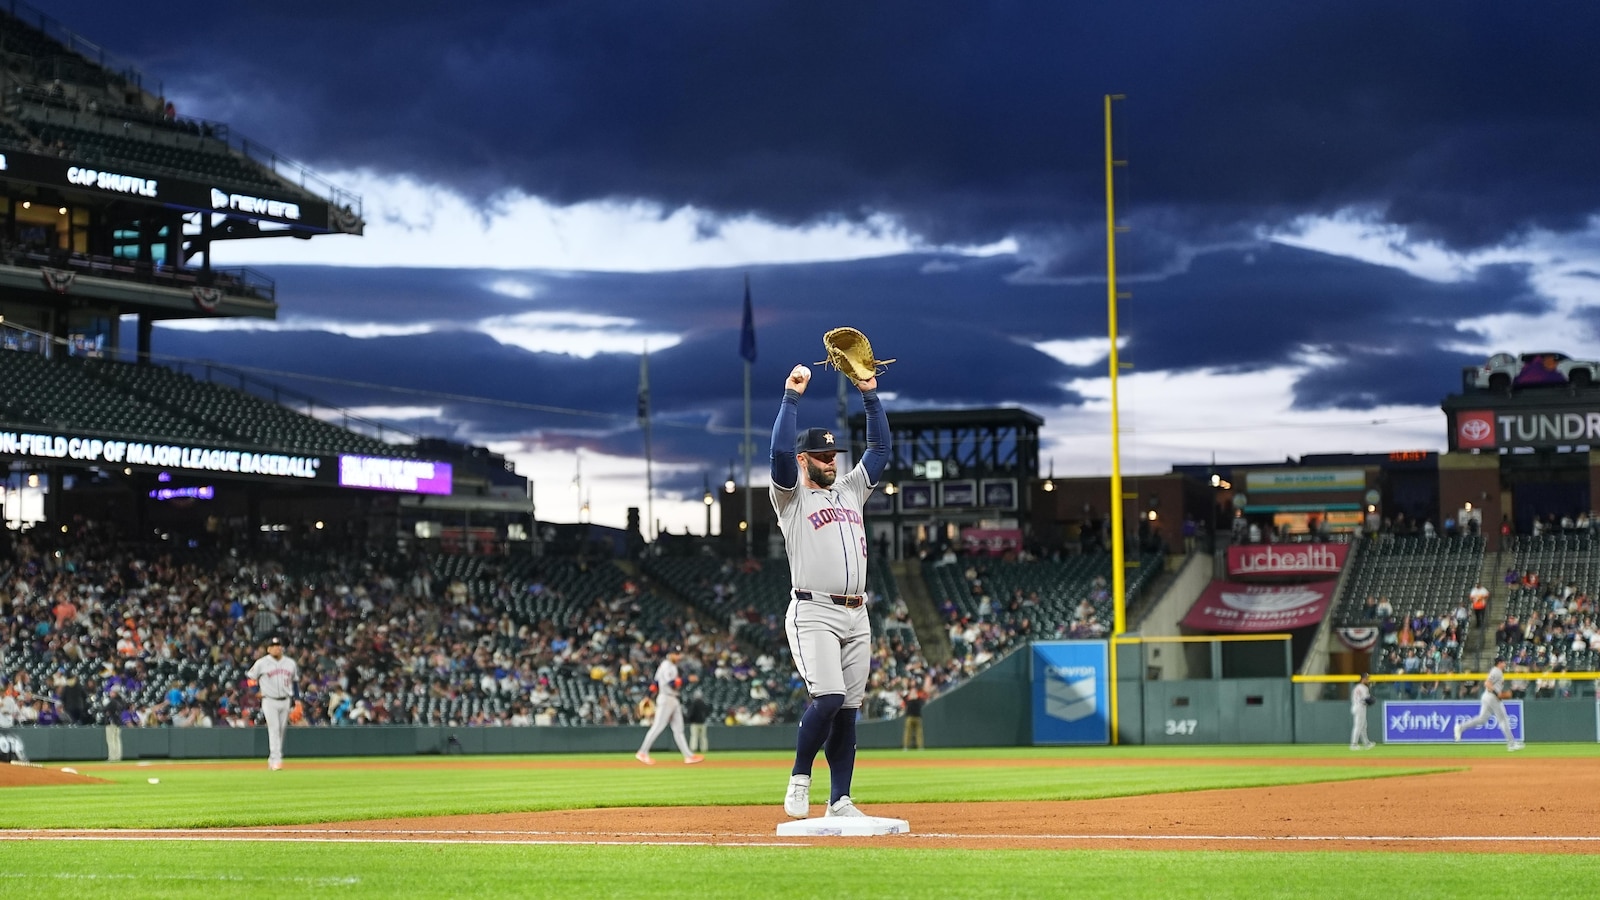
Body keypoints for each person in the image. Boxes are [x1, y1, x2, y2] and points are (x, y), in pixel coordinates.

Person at [771, 360, 890, 819]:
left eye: (833, 454)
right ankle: (800, 778)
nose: (831, 460)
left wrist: (869, 394)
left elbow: (879, 449)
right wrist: (791, 396)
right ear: (804, 460)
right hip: (814, 610)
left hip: (857, 612)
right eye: (821, 456)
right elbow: (779, 453)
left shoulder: (850, 490)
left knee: (847, 711)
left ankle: (839, 800)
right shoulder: (790, 498)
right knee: (829, 697)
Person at [634, 645, 704, 765]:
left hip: (673, 699)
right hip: (666, 698)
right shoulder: (667, 666)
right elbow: (671, 683)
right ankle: (642, 752)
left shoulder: (669, 666)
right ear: (670, 654)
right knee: (658, 726)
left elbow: (655, 683)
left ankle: (689, 756)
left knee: (679, 730)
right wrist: (688, 679)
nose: (678, 656)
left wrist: (648, 696)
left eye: (679, 654)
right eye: (676, 654)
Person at [246, 634, 299, 770]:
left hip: (286, 700)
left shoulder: (290, 663)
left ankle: (273, 759)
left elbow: (295, 683)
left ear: (282, 648)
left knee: (281, 730)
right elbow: (250, 678)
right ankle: (276, 759)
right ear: (268, 649)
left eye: (278, 646)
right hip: (269, 700)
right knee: (274, 729)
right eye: (273, 646)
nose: (276, 648)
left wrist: (298, 701)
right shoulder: (261, 663)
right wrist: (256, 691)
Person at [1454, 656, 1523, 751]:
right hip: (1492, 697)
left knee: (1481, 719)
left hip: (1488, 696)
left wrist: (1499, 693)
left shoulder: (1497, 671)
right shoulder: (1496, 671)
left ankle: (1460, 727)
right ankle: (1511, 744)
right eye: (1504, 662)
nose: (1505, 664)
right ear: (1499, 663)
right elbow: (1487, 683)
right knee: (1503, 720)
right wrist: (1497, 693)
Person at [1349, 673, 1375, 750]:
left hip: (1356, 706)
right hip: (1360, 707)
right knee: (1358, 726)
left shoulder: (1356, 687)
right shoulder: (1364, 688)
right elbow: (1367, 699)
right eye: (1367, 678)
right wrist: (1371, 699)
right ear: (1363, 679)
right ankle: (1353, 744)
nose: (1368, 680)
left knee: (1363, 726)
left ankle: (1366, 743)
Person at [685, 689, 712, 755]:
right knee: (703, 737)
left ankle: (693, 749)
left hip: (695, 723)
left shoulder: (693, 704)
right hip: (702, 723)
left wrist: (690, 720)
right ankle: (704, 749)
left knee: (694, 736)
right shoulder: (703, 704)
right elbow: (708, 712)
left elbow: (690, 714)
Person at [902, 686, 925, 751]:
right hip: (909, 717)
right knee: (907, 733)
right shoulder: (908, 699)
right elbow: (904, 699)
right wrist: (909, 696)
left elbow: (922, 703)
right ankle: (906, 747)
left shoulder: (918, 699)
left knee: (919, 733)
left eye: (914, 691)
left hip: (917, 717)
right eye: (912, 691)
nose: (913, 692)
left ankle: (920, 747)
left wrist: (916, 698)